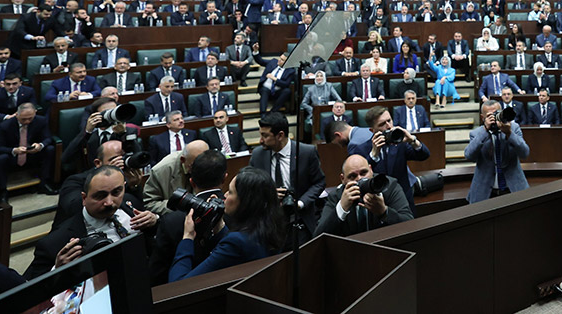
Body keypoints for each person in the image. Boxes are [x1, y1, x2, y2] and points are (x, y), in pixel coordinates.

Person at [25, 166, 158, 280]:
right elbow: (32, 286)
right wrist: (57, 270)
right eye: (100, 196)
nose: (109, 202)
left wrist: (155, 220)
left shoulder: (129, 204)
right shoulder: (55, 242)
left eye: (116, 192)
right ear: (84, 198)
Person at [169, 167, 282, 281]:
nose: (225, 195)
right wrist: (219, 226)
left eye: (231, 192)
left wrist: (187, 237)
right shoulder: (270, 228)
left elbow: (180, 284)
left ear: (245, 202)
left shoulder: (236, 242)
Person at [148, 149, 228, 285]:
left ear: (191, 182)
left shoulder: (171, 221)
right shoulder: (237, 211)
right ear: (225, 178)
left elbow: (156, 275)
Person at [249, 113, 325, 241]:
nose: (260, 140)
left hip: (301, 220)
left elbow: (319, 183)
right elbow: (250, 186)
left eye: (265, 135)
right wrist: (268, 194)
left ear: (280, 135)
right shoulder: (257, 155)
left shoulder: (306, 152)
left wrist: (300, 203)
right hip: (269, 223)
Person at [314, 155, 413, 237]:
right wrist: (342, 208)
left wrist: (384, 212)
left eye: (363, 173)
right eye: (352, 176)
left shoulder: (389, 186)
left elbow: (409, 225)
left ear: (371, 170)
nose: (360, 179)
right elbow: (318, 236)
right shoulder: (336, 196)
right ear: (342, 179)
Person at [363, 106, 429, 215]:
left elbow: (424, 155)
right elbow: (363, 177)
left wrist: (412, 140)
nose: (388, 126)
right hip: (378, 204)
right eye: (382, 124)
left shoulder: (400, 144)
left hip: (403, 200)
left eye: (389, 121)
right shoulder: (363, 148)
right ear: (372, 130)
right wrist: (374, 154)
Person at [466, 100, 529, 203]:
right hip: (485, 193)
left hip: (512, 189)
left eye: (497, 113)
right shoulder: (476, 133)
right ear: (483, 117)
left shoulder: (513, 128)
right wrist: (485, 131)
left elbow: (525, 153)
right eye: (490, 115)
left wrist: (509, 134)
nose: (495, 118)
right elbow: (469, 156)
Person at [0, 104, 56, 202]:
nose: (27, 121)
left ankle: (44, 184)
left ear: (35, 113)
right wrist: (14, 150)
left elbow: (48, 138)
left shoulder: (41, 121)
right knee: (1, 158)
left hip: (32, 154)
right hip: (13, 156)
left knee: (50, 149)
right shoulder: (4, 126)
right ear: (16, 115)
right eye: (23, 119)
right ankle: (3, 191)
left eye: (30, 118)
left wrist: (40, 145)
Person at [143, 140, 210, 216]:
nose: (198, 170)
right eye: (193, 166)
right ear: (183, 160)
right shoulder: (160, 171)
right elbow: (150, 203)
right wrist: (180, 205)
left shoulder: (209, 164)